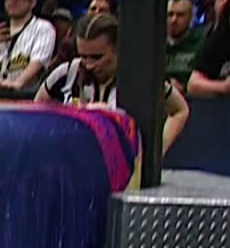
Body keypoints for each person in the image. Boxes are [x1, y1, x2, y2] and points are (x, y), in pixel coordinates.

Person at [37, 12, 189, 151]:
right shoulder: (67, 72)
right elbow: (37, 109)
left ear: (118, 48)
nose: (89, 65)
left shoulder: (140, 78)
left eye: (97, 57)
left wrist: (155, 153)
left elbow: (180, 110)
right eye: (83, 56)